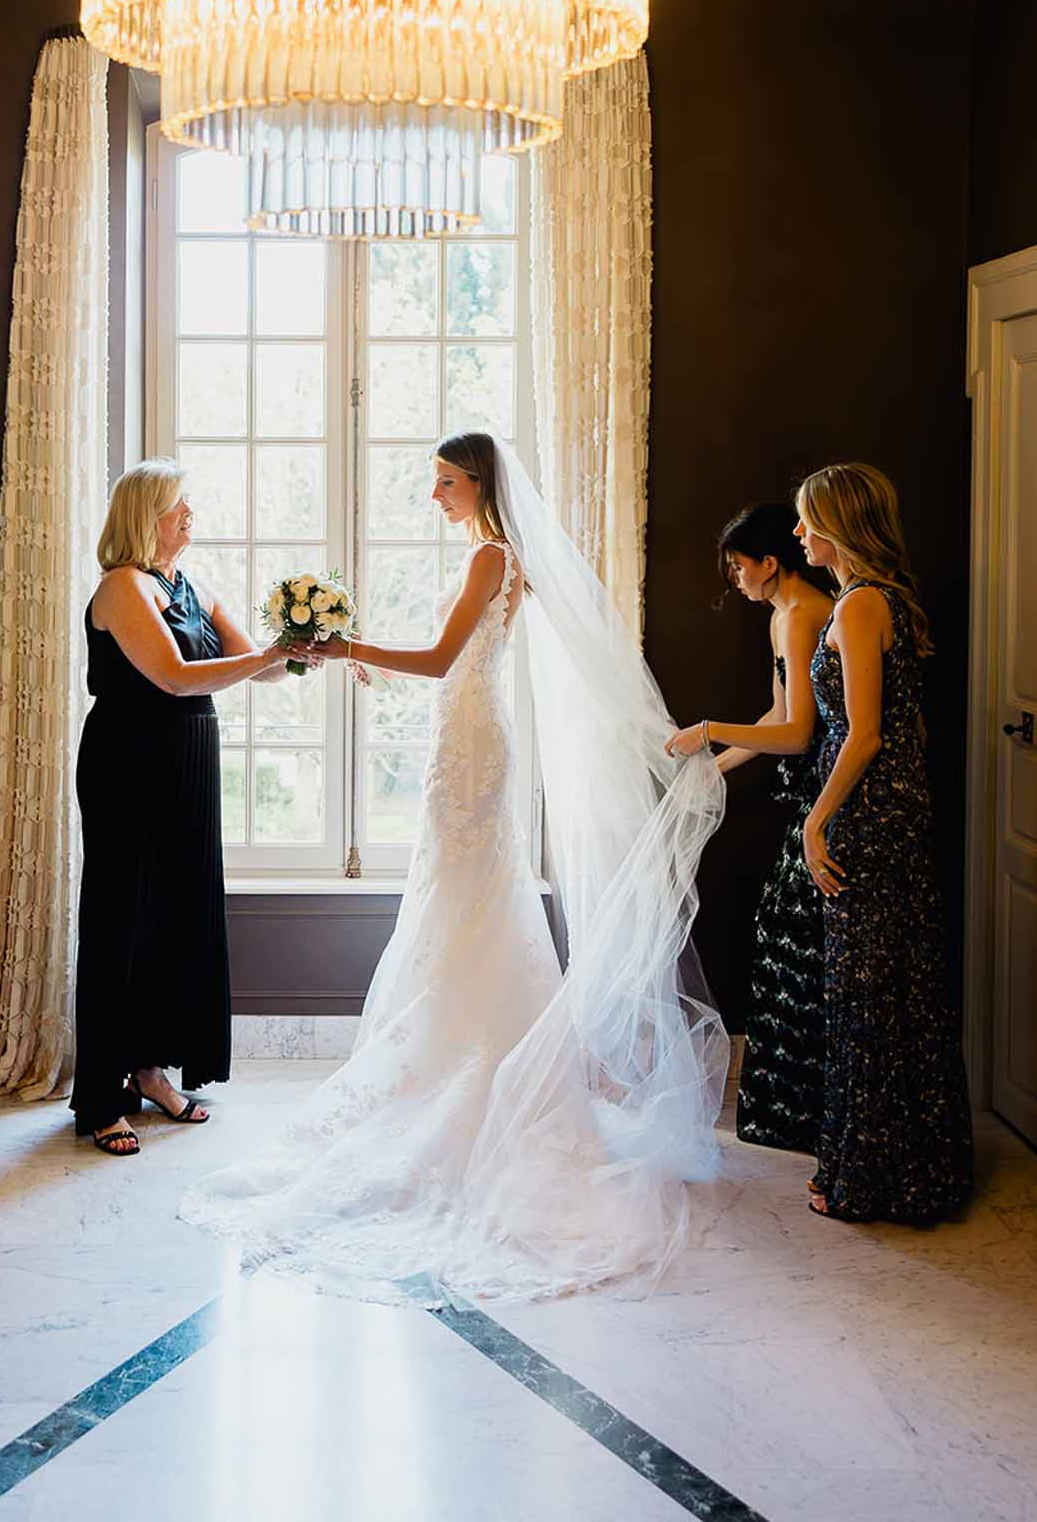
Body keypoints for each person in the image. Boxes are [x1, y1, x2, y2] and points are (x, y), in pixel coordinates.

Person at [179, 431, 728, 1302]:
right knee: (464, 906)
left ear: (479, 483)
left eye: (445, 481)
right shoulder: (492, 557)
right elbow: (453, 662)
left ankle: (477, 1075)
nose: (433, 493)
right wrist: (352, 654)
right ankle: (469, 1060)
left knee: (469, 901)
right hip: (464, 737)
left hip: (471, 749)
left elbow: (440, 660)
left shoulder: (491, 557)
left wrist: (345, 649)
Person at [72, 460, 290, 1155]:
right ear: (147, 515)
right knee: (122, 920)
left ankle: (151, 1071)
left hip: (190, 757)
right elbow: (170, 676)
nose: (190, 512)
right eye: (177, 504)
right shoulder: (123, 586)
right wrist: (268, 658)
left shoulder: (190, 584)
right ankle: (103, 1096)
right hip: (129, 761)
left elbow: (259, 661)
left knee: (175, 919)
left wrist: (310, 638)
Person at [791, 462, 972, 1223]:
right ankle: (906, 1169)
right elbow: (908, 728)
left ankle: (870, 1180)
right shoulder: (882, 599)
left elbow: (863, 733)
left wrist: (815, 820)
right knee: (890, 987)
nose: (798, 534)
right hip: (893, 807)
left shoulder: (862, 605)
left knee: (868, 995)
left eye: (807, 521)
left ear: (838, 525)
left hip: (868, 814)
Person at [664, 505, 833, 1153]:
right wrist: (716, 767)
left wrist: (708, 733)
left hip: (825, 792)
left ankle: (807, 1113)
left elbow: (797, 734)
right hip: (801, 790)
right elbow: (774, 712)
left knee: (790, 940)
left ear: (770, 563)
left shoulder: (802, 615)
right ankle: (796, 1112)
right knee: (788, 941)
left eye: (738, 567)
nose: (734, 579)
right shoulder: (777, 617)